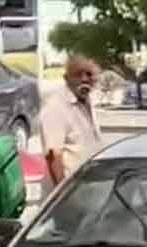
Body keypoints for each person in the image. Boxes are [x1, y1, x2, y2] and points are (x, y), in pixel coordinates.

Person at [39, 54, 104, 194]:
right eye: (78, 74)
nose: (84, 79)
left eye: (89, 74)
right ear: (66, 78)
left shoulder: (86, 100)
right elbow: (53, 156)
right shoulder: (55, 108)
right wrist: (62, 194)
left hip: (87, 186)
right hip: (69, 192)